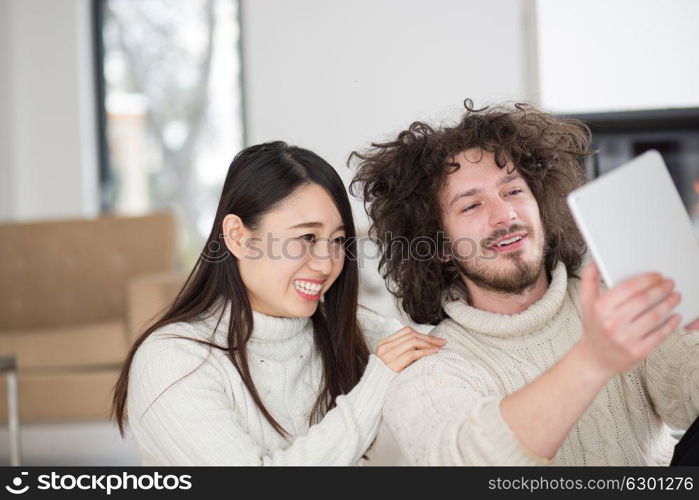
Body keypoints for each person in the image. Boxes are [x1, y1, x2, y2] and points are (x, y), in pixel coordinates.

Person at [349, 100, 699, 465]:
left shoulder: (617, 307)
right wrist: (593, 360)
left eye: (513, 191)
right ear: (439, 248)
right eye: (471, 206)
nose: (505, 215)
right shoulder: (430, 369)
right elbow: (465, 462)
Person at [112, 141, 445, 465]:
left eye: (338, 241)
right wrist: (376, 384)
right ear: (238, 237)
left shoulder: (351, 329)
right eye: (306, 238)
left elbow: (443, 351)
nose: (326, 263)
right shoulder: (173, 360)